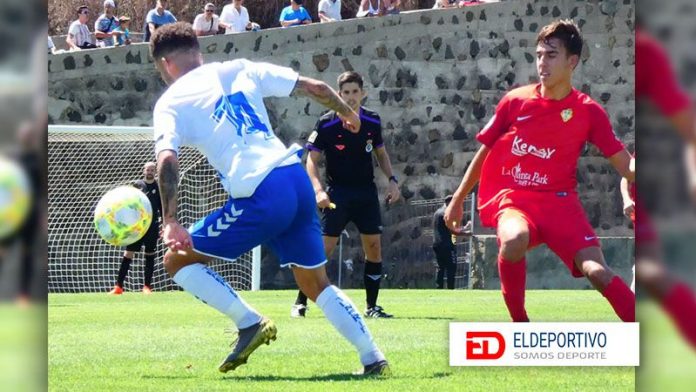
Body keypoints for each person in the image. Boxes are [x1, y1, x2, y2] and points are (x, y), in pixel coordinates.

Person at [149, 22, 390, 375]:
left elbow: (167, 160)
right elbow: (315, 86)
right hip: (293, 178)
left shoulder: (170, 102)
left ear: (166, 64)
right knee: (313, 282)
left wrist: (170, 219)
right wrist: (347, 112)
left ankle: (248, 322)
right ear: (198, 51)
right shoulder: (240, 67)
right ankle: (373, 358)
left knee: (176, 260)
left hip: (261, 192)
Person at [445, 19, 635, 322]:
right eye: (538, 55)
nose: (541, 63)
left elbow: (627, 166)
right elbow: (485, 150)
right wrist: (457, 199)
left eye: (551, 55)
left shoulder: (588, 111)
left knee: (597, 272)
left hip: (561, 203)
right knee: (514, 239)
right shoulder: (515, 101)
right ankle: (521, 326)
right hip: (514, 199)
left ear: (572, 61)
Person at [293, 71, 400, 319]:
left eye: (355, 92)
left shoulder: (372, 121)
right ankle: (301, 302)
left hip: (366, 193)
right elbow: (311, 159)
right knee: (323, 250)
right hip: (337, 194)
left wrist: (393, 181)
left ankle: (372, 307)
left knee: (374, 248)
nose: (351, 97)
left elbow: (381, 154)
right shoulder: (326, 123)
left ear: (363, 93)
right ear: (338, 95)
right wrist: (318, 190)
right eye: (346, 92)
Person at [621, 27, 696, 348]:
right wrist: (626, 199)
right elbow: (627, 173)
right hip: (646, 215)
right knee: (649, 274)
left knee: (651, 274)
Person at [109, 162, 162, 295]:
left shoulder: (159, 187)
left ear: (155, 171)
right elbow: (127, 203)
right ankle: (118, 287)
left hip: (152, 226)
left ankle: (147, 287)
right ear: (143, 171)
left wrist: (164, 224)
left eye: (152, 169)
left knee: (150, 254)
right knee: (128, 254)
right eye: (147, 169)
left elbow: (162, 207)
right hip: (136, 226)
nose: (149, 171)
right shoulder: (136, 185)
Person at [432, 195, 457, 289]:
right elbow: (453, 229)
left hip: (437, 243)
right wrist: (466, 231)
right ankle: (450, 288)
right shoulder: (446, 213)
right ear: (449, 203)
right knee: (451, 267)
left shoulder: (437, 212)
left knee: (440, 267)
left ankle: (439, 288)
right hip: (446, 244)